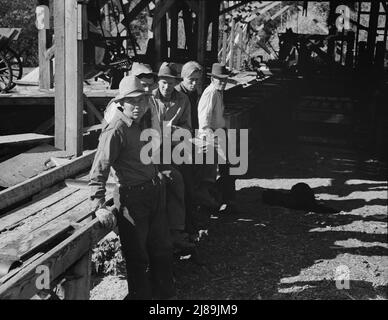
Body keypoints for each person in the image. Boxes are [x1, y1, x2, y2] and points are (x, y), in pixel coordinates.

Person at [89, 75, 175, 300]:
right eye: (132, 102)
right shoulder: (115, 129)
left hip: (154, 192)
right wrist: (98, 204)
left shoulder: (141, 123)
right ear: (121, 103)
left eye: (141, 101)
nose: (137, 107)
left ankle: (164, 298)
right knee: (138, 258)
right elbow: (99, 168)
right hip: (132, 199)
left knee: (162, 250)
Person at [153, 62, 196, 246]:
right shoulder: (149, 99)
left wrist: (172, 130)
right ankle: (169, 230)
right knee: (172, 180)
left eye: (170, 83)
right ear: (158, 81)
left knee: (188, 179)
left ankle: (183, 228)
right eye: (163, 82)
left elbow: (188, 129)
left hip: (175, 147)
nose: (167, 87)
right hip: (151, 151)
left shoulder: (182, 100)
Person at [197, 63, 238, 213]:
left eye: (224, 79)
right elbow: (204, 122)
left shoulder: (219, 92)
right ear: (212, 79)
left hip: (220, 133)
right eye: (219, 79)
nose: (222, 82)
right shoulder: (210, 93)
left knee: (229, 168)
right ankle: (219, 202)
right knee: (218, 171)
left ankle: (228, 201)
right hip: (211, 135)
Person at [175, 61, 203, 236]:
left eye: (198, 80)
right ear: (183, 78)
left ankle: (192, 222)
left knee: (193, 182)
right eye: (191, 80)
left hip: (191, 140)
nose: (194, 84)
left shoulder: (193, 93)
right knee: (185, 186)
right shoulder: (177, 94)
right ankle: (187, 227)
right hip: (178, 144)